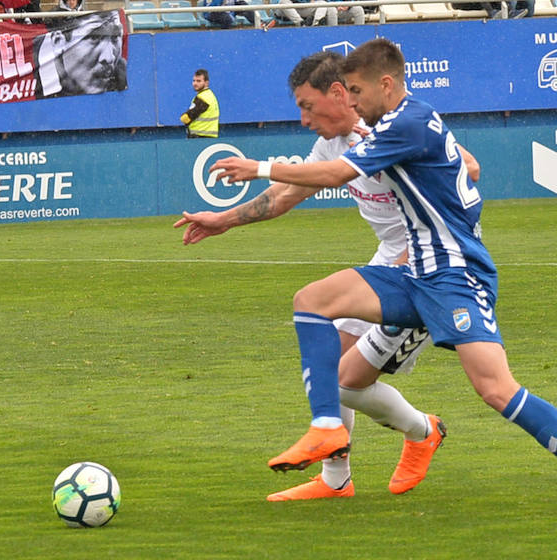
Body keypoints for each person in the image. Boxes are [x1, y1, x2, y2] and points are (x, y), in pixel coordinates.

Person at [208, 38, 557, 516]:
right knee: (312, 301)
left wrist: (258, 166)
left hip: (453, 274)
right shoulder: (381, 126)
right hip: (411, 271)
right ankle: (328, 432)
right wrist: (223, 219)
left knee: (495, 389)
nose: (352, 101)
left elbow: (345, 176)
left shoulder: (406, 123)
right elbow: (299, 188)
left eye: (356, 91)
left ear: (383, 85)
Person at [176, 51, 480, 500]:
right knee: (327, 359)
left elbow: (468, 167)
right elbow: (282, 197)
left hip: (430, 264)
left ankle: (422, 431)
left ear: (339, 93)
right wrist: (224, 220)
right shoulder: (333, 144)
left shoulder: (386, 126)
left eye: (306, 105)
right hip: (388, 258)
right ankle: (337, 481)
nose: (302, 119)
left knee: (344, 380)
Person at [34, 11, 127, 97]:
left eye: (115, 37)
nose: (109, 58)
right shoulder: (31, 80)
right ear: (58, 42)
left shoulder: (123, 74)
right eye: (94, 38)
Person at [180, 69, 219, 139]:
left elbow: (186, 118)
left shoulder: (203, 98)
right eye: (194, 81)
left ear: (206, 83)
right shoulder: (210, 95)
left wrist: (182, 118)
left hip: (200, 138)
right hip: (208, 137)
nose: (195, 83)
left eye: (198, 81)